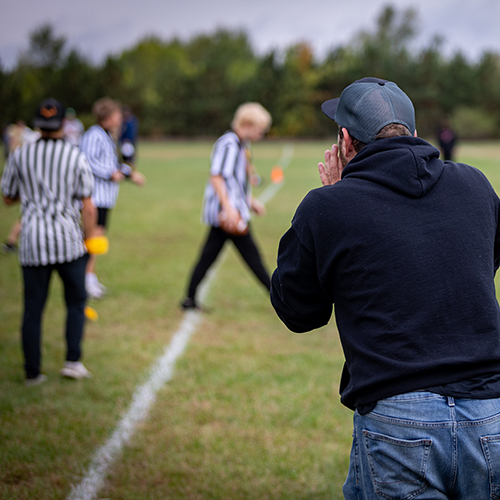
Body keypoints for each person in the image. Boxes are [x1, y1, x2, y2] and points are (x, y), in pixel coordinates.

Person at [270, 77, 500, 499]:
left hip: (399, 419)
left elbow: (298, 312)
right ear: (413, 133)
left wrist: (335, 203)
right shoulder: (477, 184)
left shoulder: (327, 206)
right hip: (492, 414)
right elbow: (481, 267)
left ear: (344, 141)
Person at [1, 98, 97, 385]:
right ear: (62, 125)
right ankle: (73, 361)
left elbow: (7, 197)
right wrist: (89, 239)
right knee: (76, 303)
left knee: (33, 309)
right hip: (68, 241)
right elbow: (88, 206)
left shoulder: (20, 155)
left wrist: (32, 194)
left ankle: (32, 372)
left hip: (32, 241)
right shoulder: (75, 155)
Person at [181, 103, 272, 310]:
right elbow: (217, 177)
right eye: (260, 129)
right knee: (253, 258)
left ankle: (189, 298)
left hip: (232, 210)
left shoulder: (242, 145)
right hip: (228, 214)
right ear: (247, 124)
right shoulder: (229, 144)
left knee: (209, 256)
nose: (261, 134)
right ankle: (279, 297)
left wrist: (250, 201)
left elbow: (235, 181)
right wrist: (229, 209)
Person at [79, 97, 146, 299]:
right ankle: (85, 280)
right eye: (117, 115)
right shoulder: (94, 135)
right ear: (107, 117)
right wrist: (110, 173)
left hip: (105, 198)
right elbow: (87, 161)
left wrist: (128, 174)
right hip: (94, 197)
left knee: (97, 238)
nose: (120, 118)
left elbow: (113, 163)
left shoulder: (108, 136)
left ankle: (89, 278)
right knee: (92, 238)